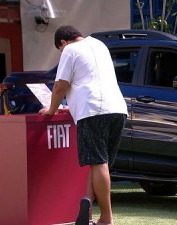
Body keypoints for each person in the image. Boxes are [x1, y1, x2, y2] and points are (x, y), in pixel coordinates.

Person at [39, 25, 127, 225]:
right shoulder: (100, 45)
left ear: (62, 42)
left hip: (93, 111)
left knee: (98, 162)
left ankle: (106, 218)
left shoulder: (69, 50)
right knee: (99, 163)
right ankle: (86, 205)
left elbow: (61, 85)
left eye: (59, 49)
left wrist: (51, 110)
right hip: (118, 109)